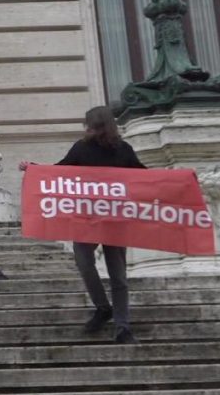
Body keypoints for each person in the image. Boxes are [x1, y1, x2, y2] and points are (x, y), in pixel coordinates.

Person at [18, 105, 146, 344]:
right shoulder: (83, 148)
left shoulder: (123, 150)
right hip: (89, 219)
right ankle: (104, 308)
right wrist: (34, 169)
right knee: (86, 262)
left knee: (117, 275)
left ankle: (122, 325)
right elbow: (60, 171)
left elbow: (143, 176)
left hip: (114, 219)